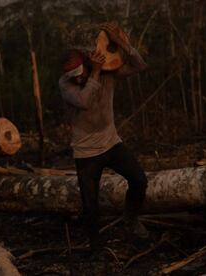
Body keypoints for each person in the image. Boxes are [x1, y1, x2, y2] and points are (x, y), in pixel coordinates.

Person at [59, 22, 148, 249]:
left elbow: (140, 66)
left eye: (80, 74)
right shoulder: (65, 84)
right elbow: (85, 102)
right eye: (73, 76)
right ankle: (95, 248)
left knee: (139, 179)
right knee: (90, 206)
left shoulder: (108, 72)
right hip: (86, 151)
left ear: (88, 63)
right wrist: (95, 73)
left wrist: (123, 44)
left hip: (111, 143)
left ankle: (131, 219)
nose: (77, 79)